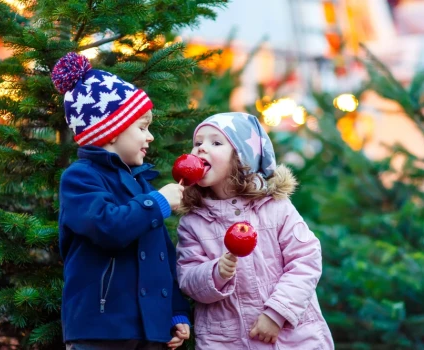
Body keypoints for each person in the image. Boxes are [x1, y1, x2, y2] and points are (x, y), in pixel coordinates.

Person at [52, 52, 190, 350]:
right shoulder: (80, 178)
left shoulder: (140, 183)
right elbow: (107, 226)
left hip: (148, 330)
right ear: (111, 131)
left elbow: (161, 254)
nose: (150, 136)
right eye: (142, 127)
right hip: (101, 329)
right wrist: (157, 203)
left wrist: (175, 311)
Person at [176, 112, 334, 349]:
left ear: (242, 158)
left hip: (291, 339)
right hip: (228, 341)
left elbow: (306, 259)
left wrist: (276, 314)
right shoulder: (193, 222)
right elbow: (187, 279)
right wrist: (215, 273)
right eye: (197, 143)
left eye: (215, 143)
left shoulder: (275, 208)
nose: (201, 149)